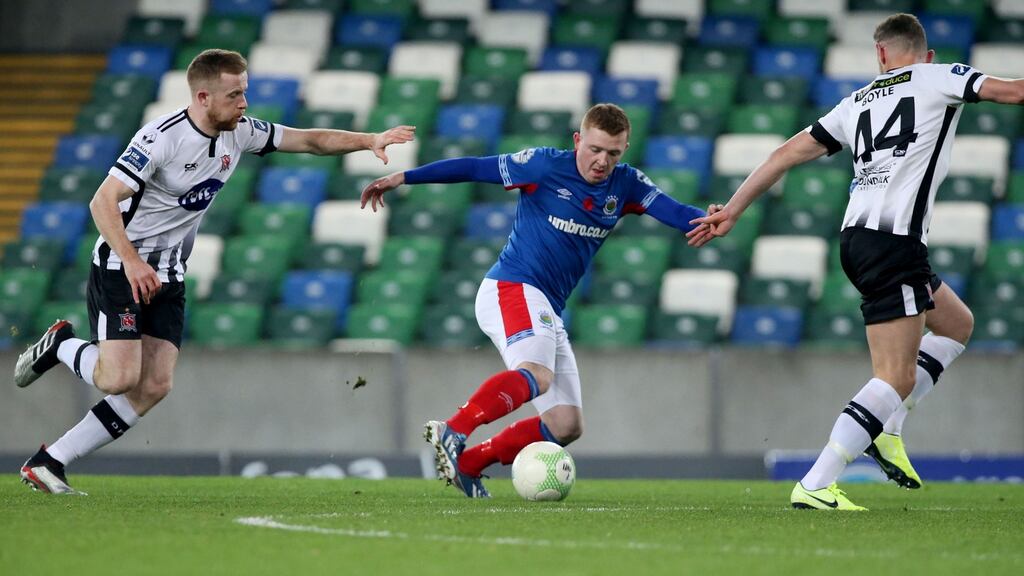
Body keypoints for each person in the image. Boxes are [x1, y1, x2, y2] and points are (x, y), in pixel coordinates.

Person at [14, 48, 415, 494]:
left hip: (171, 272)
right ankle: (62, 345)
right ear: (203, 97)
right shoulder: (160, 139)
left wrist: (369, 139)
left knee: (155, 385)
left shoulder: (239, 132)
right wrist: (131, 260)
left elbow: (308, 139)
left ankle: (50, 461)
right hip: (123, 267)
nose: (244, 103)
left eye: (245, 92)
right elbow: (101, 202)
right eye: (234, 94)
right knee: (119, 378)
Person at [688, 13, 1024, 510]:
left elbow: (783, 154)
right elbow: (1012, 91)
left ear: (881, 55)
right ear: (925, 54)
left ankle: (888, 428)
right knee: (896, 376)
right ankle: (818, 482)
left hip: (857, 239)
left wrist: (733, 210)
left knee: (955, 323)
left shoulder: (856, 102)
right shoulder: (940, 76)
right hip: (895, 243)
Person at [361, 103, 707, 497]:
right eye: (594, 149)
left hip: (546, 305)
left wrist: (713, 218)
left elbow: (676, 212)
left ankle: (470, 464)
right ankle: (453, 429)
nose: (602, 161)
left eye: (613, 153)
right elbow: (475, 167)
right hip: (512, 286)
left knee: (565, 425)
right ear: (578, 140)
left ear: (624, 150)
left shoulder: (625, 184)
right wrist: (403, 177)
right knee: (538, 376)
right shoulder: (542, 166)